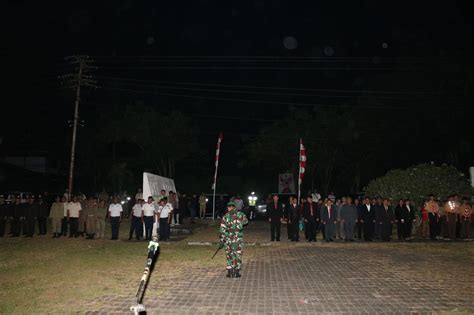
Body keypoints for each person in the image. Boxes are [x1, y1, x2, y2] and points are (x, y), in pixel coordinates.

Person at [220, 201, 248, 278]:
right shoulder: (241, 214)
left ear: (228, 208)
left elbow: (222, 229)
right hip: (238, 238)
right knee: (237, 254)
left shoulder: (225, 216)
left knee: (229, 254)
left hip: (228, 238)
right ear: (235, 207)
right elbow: (246, 221)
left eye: (229, 207)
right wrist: (239, 223)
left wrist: (222, 240)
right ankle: (236, 272)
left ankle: (230, 272)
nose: (229, 208)